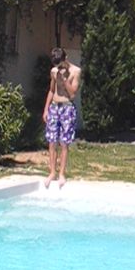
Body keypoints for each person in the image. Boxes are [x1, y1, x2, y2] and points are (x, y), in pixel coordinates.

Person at [42, 47, 81, 188]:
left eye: (60, 64)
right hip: (54, 107)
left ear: (66, 58)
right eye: (56, 65)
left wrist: (64, 80)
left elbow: (73, 93)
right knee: (52, 141)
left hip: (67, 108)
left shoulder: (76, 71)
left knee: (64, 142)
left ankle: (62, 174)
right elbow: (52, 90)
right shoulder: (54, 71)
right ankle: (52, 172)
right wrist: (46, 109)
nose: (58, 68)